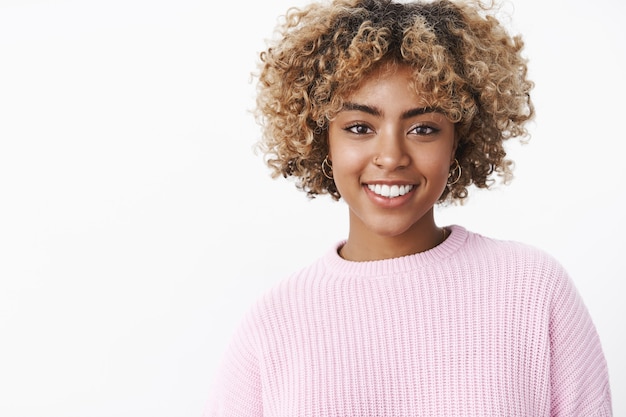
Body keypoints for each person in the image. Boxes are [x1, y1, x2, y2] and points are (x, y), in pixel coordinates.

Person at [204, 0, 612, 415]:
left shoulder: (533, 292)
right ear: (320, 137)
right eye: (360, 127)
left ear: (458, 140)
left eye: (422, 128)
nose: (391, 156)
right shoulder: (273, 325)